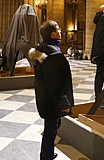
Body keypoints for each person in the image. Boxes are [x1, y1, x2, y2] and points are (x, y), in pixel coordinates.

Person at [28, 20, 74, 160]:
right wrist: (64, 103)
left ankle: (48, 152)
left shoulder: (42, 50)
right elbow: (54, 83)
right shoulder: (53, 55)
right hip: (51, 100)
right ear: (53, 33)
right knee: (50, 129)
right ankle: (46, 156)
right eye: (58, 29)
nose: (60, 31)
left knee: (54, 125)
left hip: (45, 96)